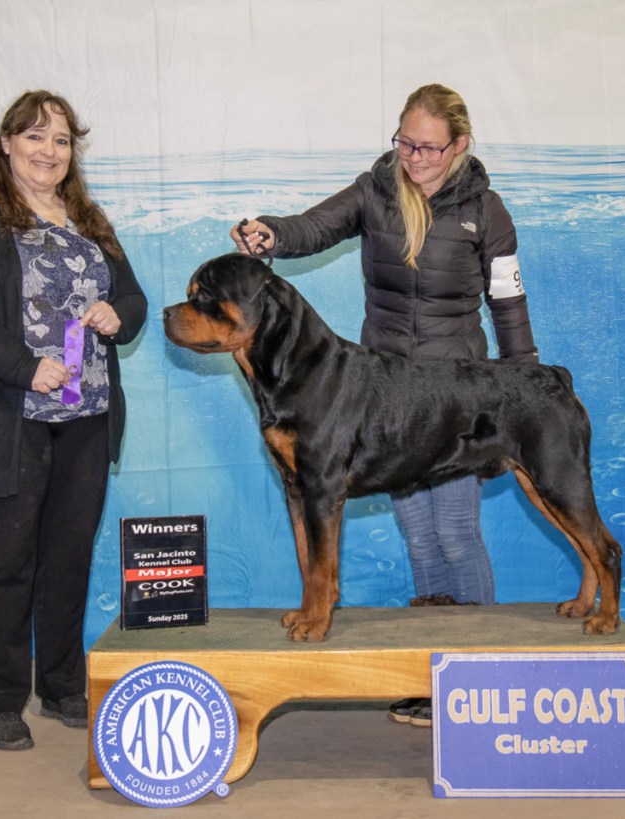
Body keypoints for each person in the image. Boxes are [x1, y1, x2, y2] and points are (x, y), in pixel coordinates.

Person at [230, 83, 538, 727]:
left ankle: (478, 675)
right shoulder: (374, 190)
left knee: (456, 533)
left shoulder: (487, 209)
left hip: (458, 397)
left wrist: (524, 384)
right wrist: (271, 233)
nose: (414, 157)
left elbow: (507, 300)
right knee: (420, 536)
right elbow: (314, 226)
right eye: (405, 143)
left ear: (459, 144)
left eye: (428, 147)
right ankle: (431, 676)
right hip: (387, 396)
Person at [0, 90, 147, 750]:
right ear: (7, 144)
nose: (48, 151)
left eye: (61, 140)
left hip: (87, 413)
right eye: (34, 136)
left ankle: (61, 683)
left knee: (68, 556)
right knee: (4, 561)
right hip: (6, 417)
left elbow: (133, 298)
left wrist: (119, 314)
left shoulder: (89, 218)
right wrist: (25, 367)